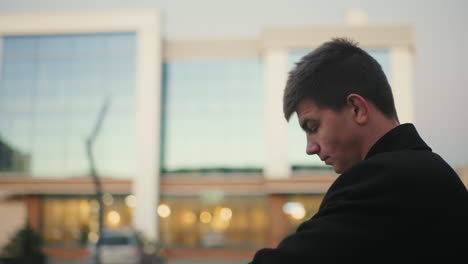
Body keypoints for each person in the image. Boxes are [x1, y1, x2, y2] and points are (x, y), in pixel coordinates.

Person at [250, 38, 468, 262]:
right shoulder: (426, 168)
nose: (310, 148)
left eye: (313, 127)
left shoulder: (384, 180)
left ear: (357, 109)